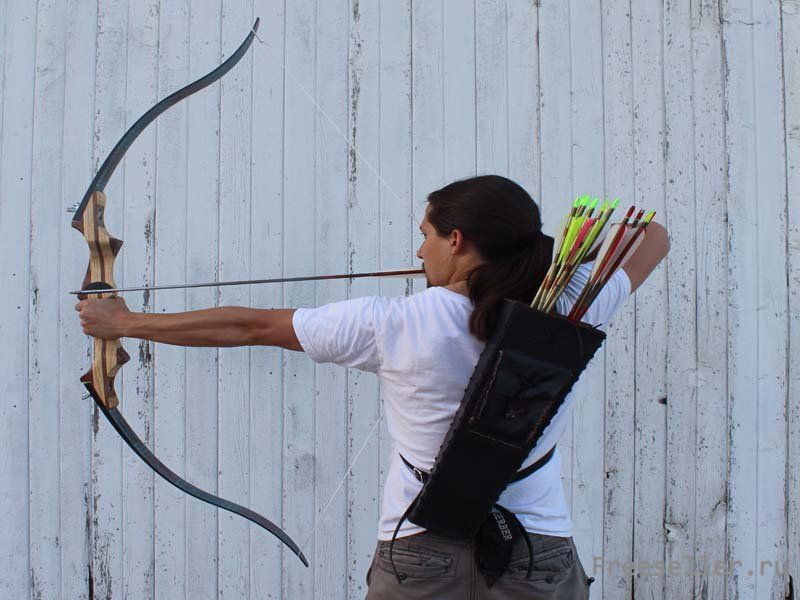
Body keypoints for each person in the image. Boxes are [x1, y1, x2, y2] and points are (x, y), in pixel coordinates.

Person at [76, 174, 669, 599]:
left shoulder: (393, 323)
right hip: (537, 554)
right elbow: (655, 236)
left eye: (427, 234)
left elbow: (249, 326)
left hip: (422, 553)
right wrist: (550, 257)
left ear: (457, 241)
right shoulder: (575, 304)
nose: (419, 250)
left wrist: (123, 322)